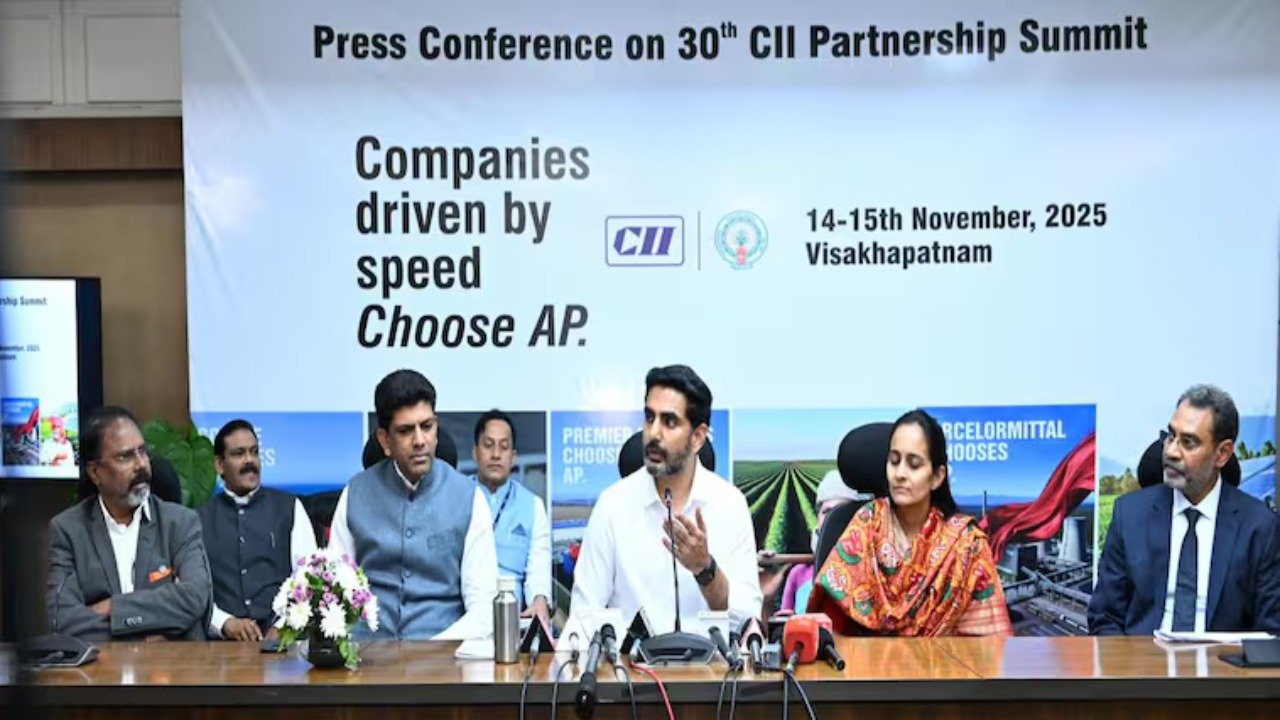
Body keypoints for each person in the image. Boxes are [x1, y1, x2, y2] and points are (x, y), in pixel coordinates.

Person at [570, 365, 762, 632]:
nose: (653, 433)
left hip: (709, 659)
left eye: (669, 422)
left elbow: (746, 620)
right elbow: (584, 615)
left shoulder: (729, 504)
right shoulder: (612, 505)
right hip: (629, 659)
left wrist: (705, 569)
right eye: (650, 418)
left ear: (697, 438)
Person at [1088, 384, 1280, 634]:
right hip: (1142, 657)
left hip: (1223, 659)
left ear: (1222, 454)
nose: (1170, 452)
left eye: (1188, 442)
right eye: (1171, 436)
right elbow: (1104, 618)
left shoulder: (1259, 527)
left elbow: (1271, 632)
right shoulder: (1130, 515)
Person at [808, 409, 1012, 636]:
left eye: (914, 464)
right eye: (894, 461)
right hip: (863, 658)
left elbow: (988, 645)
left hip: (945, 659)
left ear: (937, 476)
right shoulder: (865, 525)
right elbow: (830, 629)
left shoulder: (966, 544)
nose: (900, 474)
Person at [328, 370, 498, 640]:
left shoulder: (469, 497)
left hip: (444, 656)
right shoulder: (355, 493)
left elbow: (484, 609)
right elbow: (333, 593)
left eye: (427, 426)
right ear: (385, 440)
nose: (420, 441)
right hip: (366, 656)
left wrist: (430, 651)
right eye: (406, 431)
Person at [46, 406, 212, 641]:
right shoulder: (68, 530)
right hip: (102, 663)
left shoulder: (180, 523)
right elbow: (62, 620)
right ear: (95, 473)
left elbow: (194, 599)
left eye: (142, 451)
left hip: (172, 662)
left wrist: (113, 607)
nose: (141, 464)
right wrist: (143, 633)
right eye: (125, 457)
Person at [197, 420, 318, 641]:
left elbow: (309, 576)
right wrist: (224, 623)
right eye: (239, 454)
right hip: (222, 645)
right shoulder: (199, 519)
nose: (249, 460)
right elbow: (194, 590)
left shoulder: (289, 507)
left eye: (254, 452)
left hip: (283, 639)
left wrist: (284, 625)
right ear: (219, 465)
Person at [471, 409, 552, 627]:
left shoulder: (533, 505)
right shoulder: (456, 497)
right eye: (488, 445)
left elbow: (538, 568)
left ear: (513, 457)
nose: (496, 454)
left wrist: (539, 599)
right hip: (465, 616)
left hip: (513, 619)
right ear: (475, 452)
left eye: (504, 447)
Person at [780, 469, 868, 613]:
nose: (832, 520)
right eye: (827, 512)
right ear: (818, 518)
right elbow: (783, 621)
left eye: (840, 512)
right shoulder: (799, 573)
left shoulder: (870, 570)